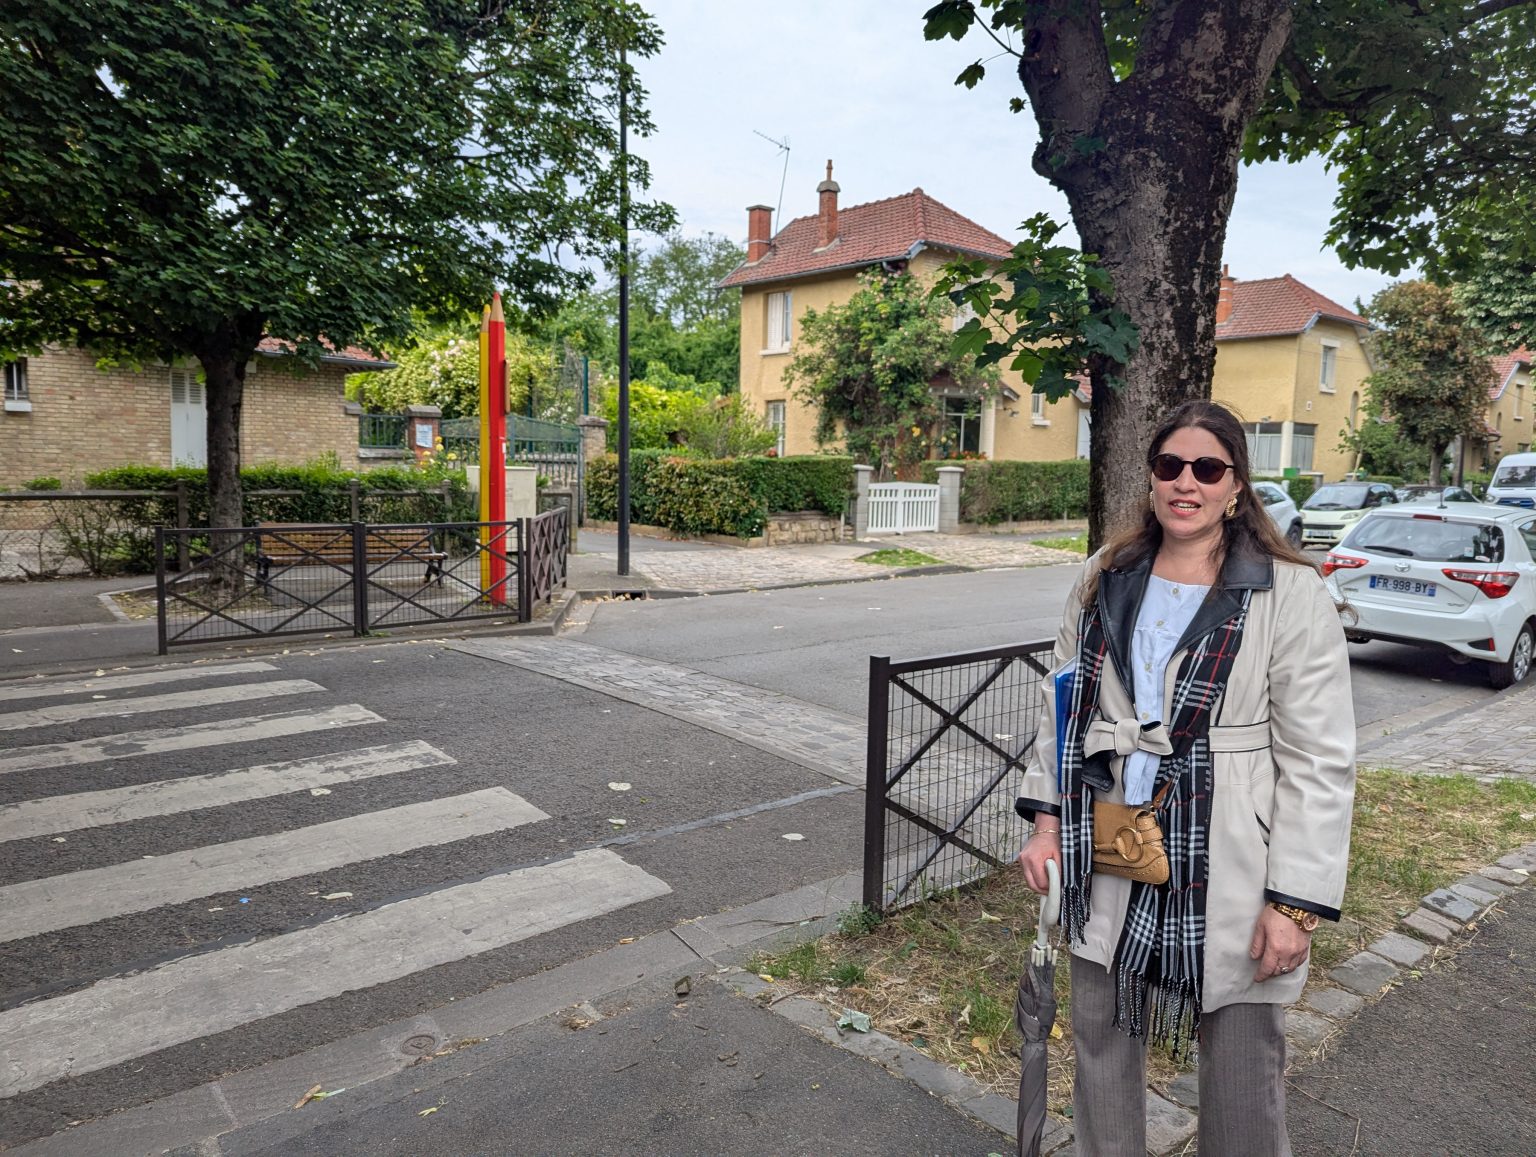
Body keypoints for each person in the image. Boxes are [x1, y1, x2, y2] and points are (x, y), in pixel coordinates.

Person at [1015, 399, 1355, 1156]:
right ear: (1151, 477)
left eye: (1207, 467)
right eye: (1170, 465)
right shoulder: (1106, 575)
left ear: (1236, 484)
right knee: (1101, 1042)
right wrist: (1046, 824)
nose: (1186, 482)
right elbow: (1062, 704)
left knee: (1242, 1069)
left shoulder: (1287, 591)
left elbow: (1319, 758)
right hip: (1111, 832)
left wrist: (1293, 905)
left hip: (1228, 853)